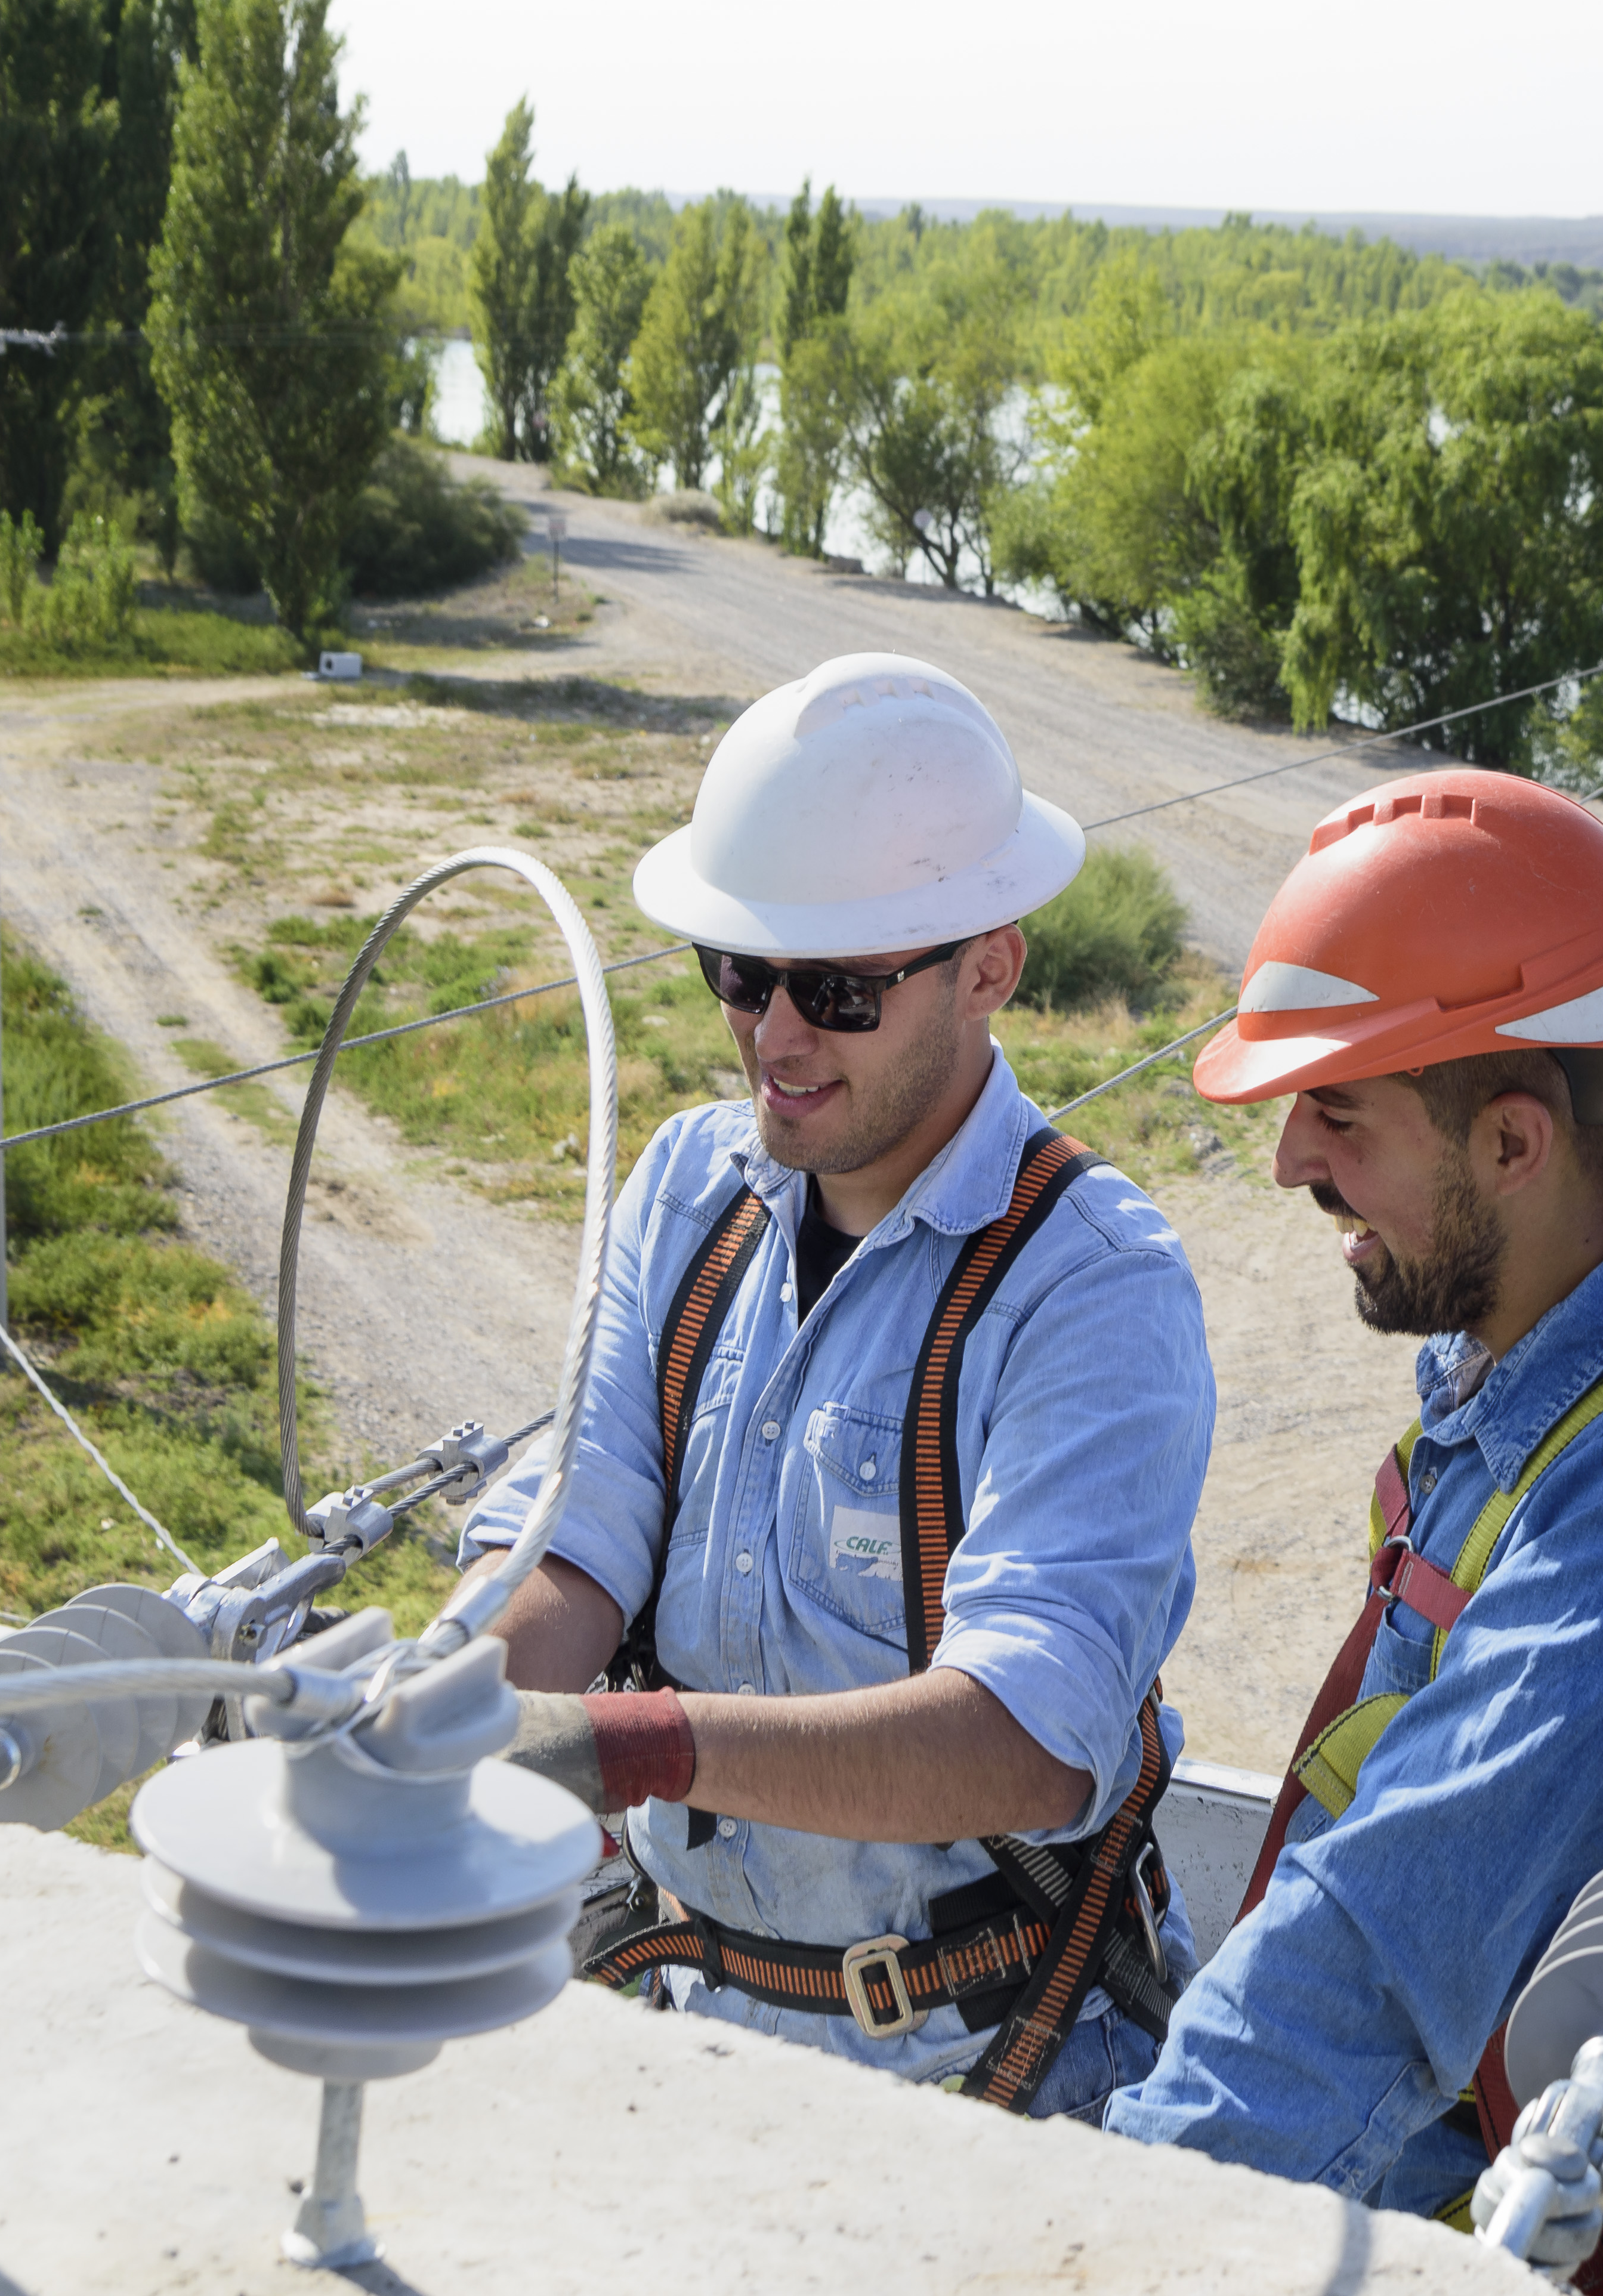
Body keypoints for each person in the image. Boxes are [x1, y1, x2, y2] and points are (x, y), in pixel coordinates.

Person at [1101, 768, 1603, 2257]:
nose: (1292, 1165)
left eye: (1338, 1118)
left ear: (1515, 1145)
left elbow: (1384, 1953)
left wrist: (1116, 2225)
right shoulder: (1590, 1307)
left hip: (1477, 2218)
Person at [466, 652, 1214, 2119]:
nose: (774, 1038)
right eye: (738, 975)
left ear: (989, 963)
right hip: (694, 2024)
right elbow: (582, 1531)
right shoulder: (687, 1191)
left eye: (839, 990)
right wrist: (444, 1690)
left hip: (986, 2072)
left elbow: (1018, 1739)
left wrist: (628, 1747)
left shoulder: (1092, 1287)